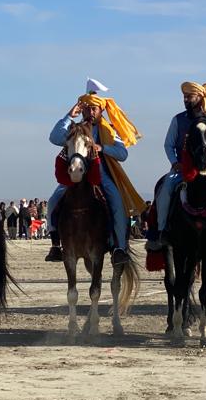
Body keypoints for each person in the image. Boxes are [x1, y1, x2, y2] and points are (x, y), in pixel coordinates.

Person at [45, 80, 146, 265]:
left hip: (102, 177)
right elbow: (54, 137)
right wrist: (69, 116)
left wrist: (102, 148)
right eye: (87, 109)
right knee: (53, 202)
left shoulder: (109, 130)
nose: (90, 112)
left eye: (94, 109)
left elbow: (123, 154)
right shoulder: (74, 128)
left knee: (117, 204)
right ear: (81, 110)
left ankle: (119, 248)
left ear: (101, 111)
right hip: (76, 177)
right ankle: (55, 245)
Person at [148, 81, 206, 256]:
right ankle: (162, 231)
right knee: (165, 189)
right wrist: (175, 162)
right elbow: (168, 145)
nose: (186, 100)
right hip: (183, 168)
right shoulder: (178, 119)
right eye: (184, 97)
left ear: (199, 97)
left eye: (189, 96)